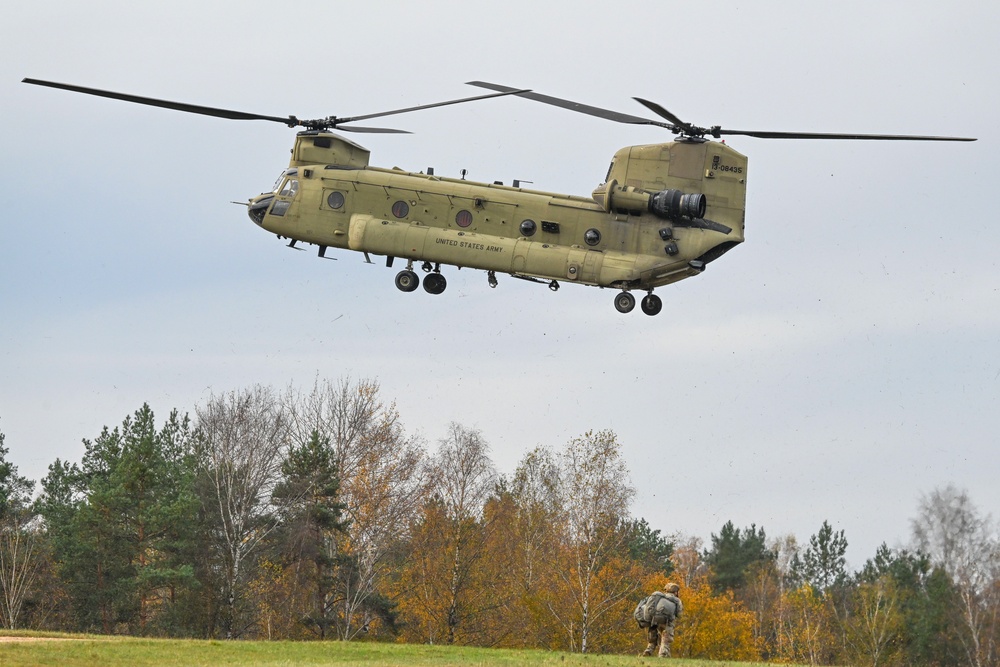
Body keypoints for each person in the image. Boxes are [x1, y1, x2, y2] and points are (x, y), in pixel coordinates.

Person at [637, 582, 682, 658]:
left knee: (653, 638)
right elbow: (679, 614)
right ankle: (663, 655)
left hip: (654, 620)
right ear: (675, 592)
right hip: (666, 622)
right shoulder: (676, 600)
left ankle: (648, 651)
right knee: (666, 639)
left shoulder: (660, 597)